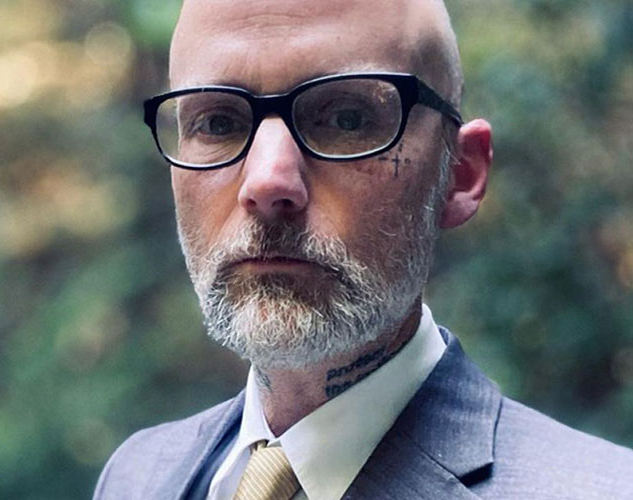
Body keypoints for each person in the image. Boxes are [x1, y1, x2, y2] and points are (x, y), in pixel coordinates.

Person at [94, 0, 633, 498]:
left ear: (459, 173)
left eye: (346, 119)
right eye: (218, 123)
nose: (268, 181)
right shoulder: (135, 477)